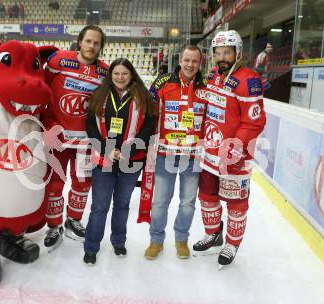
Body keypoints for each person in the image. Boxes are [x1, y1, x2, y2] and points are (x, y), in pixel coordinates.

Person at [192, 30, 266, 269]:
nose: (222, 57)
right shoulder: (214, 75)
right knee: (207, 196)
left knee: (236, 203)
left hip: (235, 156)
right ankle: (213, 234)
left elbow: (254, 121)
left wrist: (235, 147)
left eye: (227, 52)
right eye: (218, 52)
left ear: (238, 52)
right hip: (210, 153)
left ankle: (232, 243)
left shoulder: (249, 80)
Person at [42, 25, 108, 251]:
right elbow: (41, 88)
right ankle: (53, 225)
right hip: (58, 139)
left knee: (82, 183)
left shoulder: (105, 72)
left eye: (96, 43)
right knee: (54, 184)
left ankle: (73, 220)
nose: (92, 46)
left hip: (86, 142)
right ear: (80, 41)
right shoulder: (58, 61)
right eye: (88, 41)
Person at [83, 58, 155, 264]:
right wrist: (107, 150)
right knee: (100, 205)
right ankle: (91, 246)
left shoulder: (143, 97)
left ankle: (118, 241)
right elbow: (90, 127)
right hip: (103, 160)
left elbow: (149, 127)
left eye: (124, 73)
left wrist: (128, 149)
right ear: (110, 75)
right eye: (116, 73)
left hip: (131, 160)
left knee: (122, 204)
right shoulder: (99, 95)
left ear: (131, 74)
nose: (120, 77)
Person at [144, 45, 207, 260]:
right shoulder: (162, 83)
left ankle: (181, 239)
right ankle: (156, 240)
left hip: (193, 155)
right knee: (160, 201)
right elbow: (149, 114)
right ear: (180, 60)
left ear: (200, 63)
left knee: (188, 202)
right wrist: (149, 144)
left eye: (195, 61)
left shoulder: (206, 87)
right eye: (186, 60)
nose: (190, 65)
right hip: (166, 153)